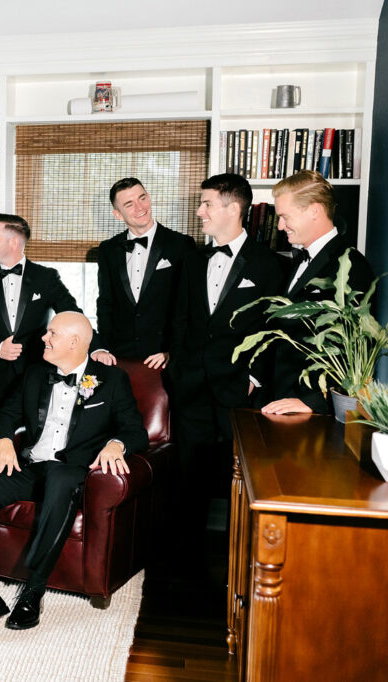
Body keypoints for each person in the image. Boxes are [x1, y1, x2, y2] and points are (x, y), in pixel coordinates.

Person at [0, 312, 147, 632]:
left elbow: (135, 431)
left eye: (52, 333)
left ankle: (33, 590)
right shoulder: (35, 375)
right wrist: (3, 441)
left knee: (59, 477)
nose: (44, 338)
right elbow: (4, 413)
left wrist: (115, 444)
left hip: (72, 473)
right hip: (31, 467)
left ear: (74, 342)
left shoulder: (110, 380)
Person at [167, 173, 284, 574]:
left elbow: (273, 329)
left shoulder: (270, 264)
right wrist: (179, 370)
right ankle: (183, 566)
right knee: (188, 479)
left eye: (206, 204)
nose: (199, 212)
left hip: (238, 390)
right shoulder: (191, 259)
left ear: (234, 209)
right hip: (191, 388)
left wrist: (253, 379)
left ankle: (242, 564)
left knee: (240, 480)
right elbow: (179, 320)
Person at [261, 170, 374, 415]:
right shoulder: (300, 259)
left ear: (314, 210)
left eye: (284, 216)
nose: (280, 226)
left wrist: (312, 402)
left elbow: (354, 349)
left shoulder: (351, 266)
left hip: (312, 411)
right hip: (282, 399)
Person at [0, 213, 83, 424]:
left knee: (34, 445)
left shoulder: (46, 277)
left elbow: (73, 315)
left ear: (14, 241)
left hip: (37, 377)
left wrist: (99, 349)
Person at [94, 178, 196, 368]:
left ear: (149, 198)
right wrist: (104, 348)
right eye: (129, 204)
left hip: (163, 357)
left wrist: (173, 351)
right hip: (119, 356)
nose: (140, 207)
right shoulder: (108, 249)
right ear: (117, 214)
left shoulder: (181, 245)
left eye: (142, 198)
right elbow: (105, 303)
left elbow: (189, 306)